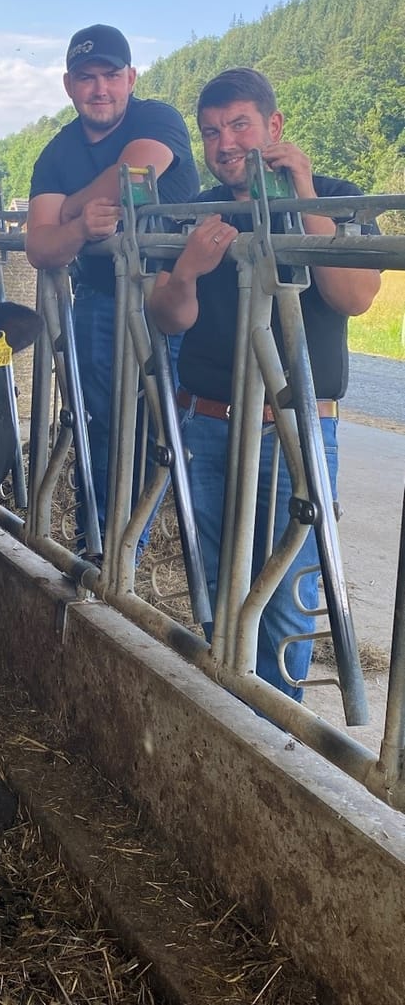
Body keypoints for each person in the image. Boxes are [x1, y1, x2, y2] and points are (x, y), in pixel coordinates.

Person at [149, 67, 381, 699]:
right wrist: (188, 272)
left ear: (274, 126)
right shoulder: (196, 213)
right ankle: (223, 710)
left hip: (294, 426)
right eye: (211, 131)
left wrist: (301, 193)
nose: (224, 142)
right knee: (217, 584)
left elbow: (355, 296)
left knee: (285, 595)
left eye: (240, 125)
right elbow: (168, 317)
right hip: (210, 422)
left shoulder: (333, 195)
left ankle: (280, 735)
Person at [25, 24, 199, 555]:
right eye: (86, 78)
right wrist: (79, 230)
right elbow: (40, 246)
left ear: (131, 78)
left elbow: (136, 172)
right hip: (99, 304)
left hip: (176, 301)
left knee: (165, 426)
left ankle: (135, 546)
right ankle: (98, 547)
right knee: (98, 426)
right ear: (68, 85)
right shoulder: (55, 152)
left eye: (110, 75)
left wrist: (69, 209)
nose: (100, 88)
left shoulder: (157, 119)